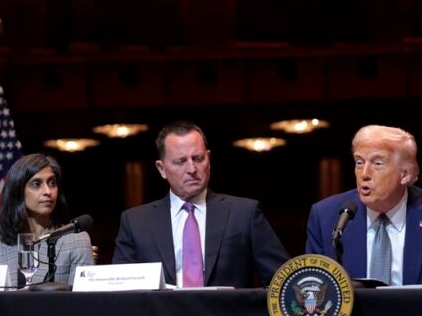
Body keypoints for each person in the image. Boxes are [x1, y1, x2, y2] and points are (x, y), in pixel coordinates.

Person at [113, 121, 290, 288]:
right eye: (180, 162)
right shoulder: (136, 222)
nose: (191, 169)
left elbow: (284, 281)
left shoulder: (244, 214)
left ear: (209, 159)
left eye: (198, 158)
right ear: (161, 169)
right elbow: (120, 292)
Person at [306, 125, 422, 286]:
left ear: (405, 174)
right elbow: (313, 292)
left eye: (378, 163)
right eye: (359, 162)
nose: (364, 174)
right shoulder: (325, 216)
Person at [0, 153, 93, 286]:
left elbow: (83, 302)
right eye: (36, 184)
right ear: (18, 192)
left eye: (52, 183)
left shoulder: (75, 241)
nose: (48, 191)